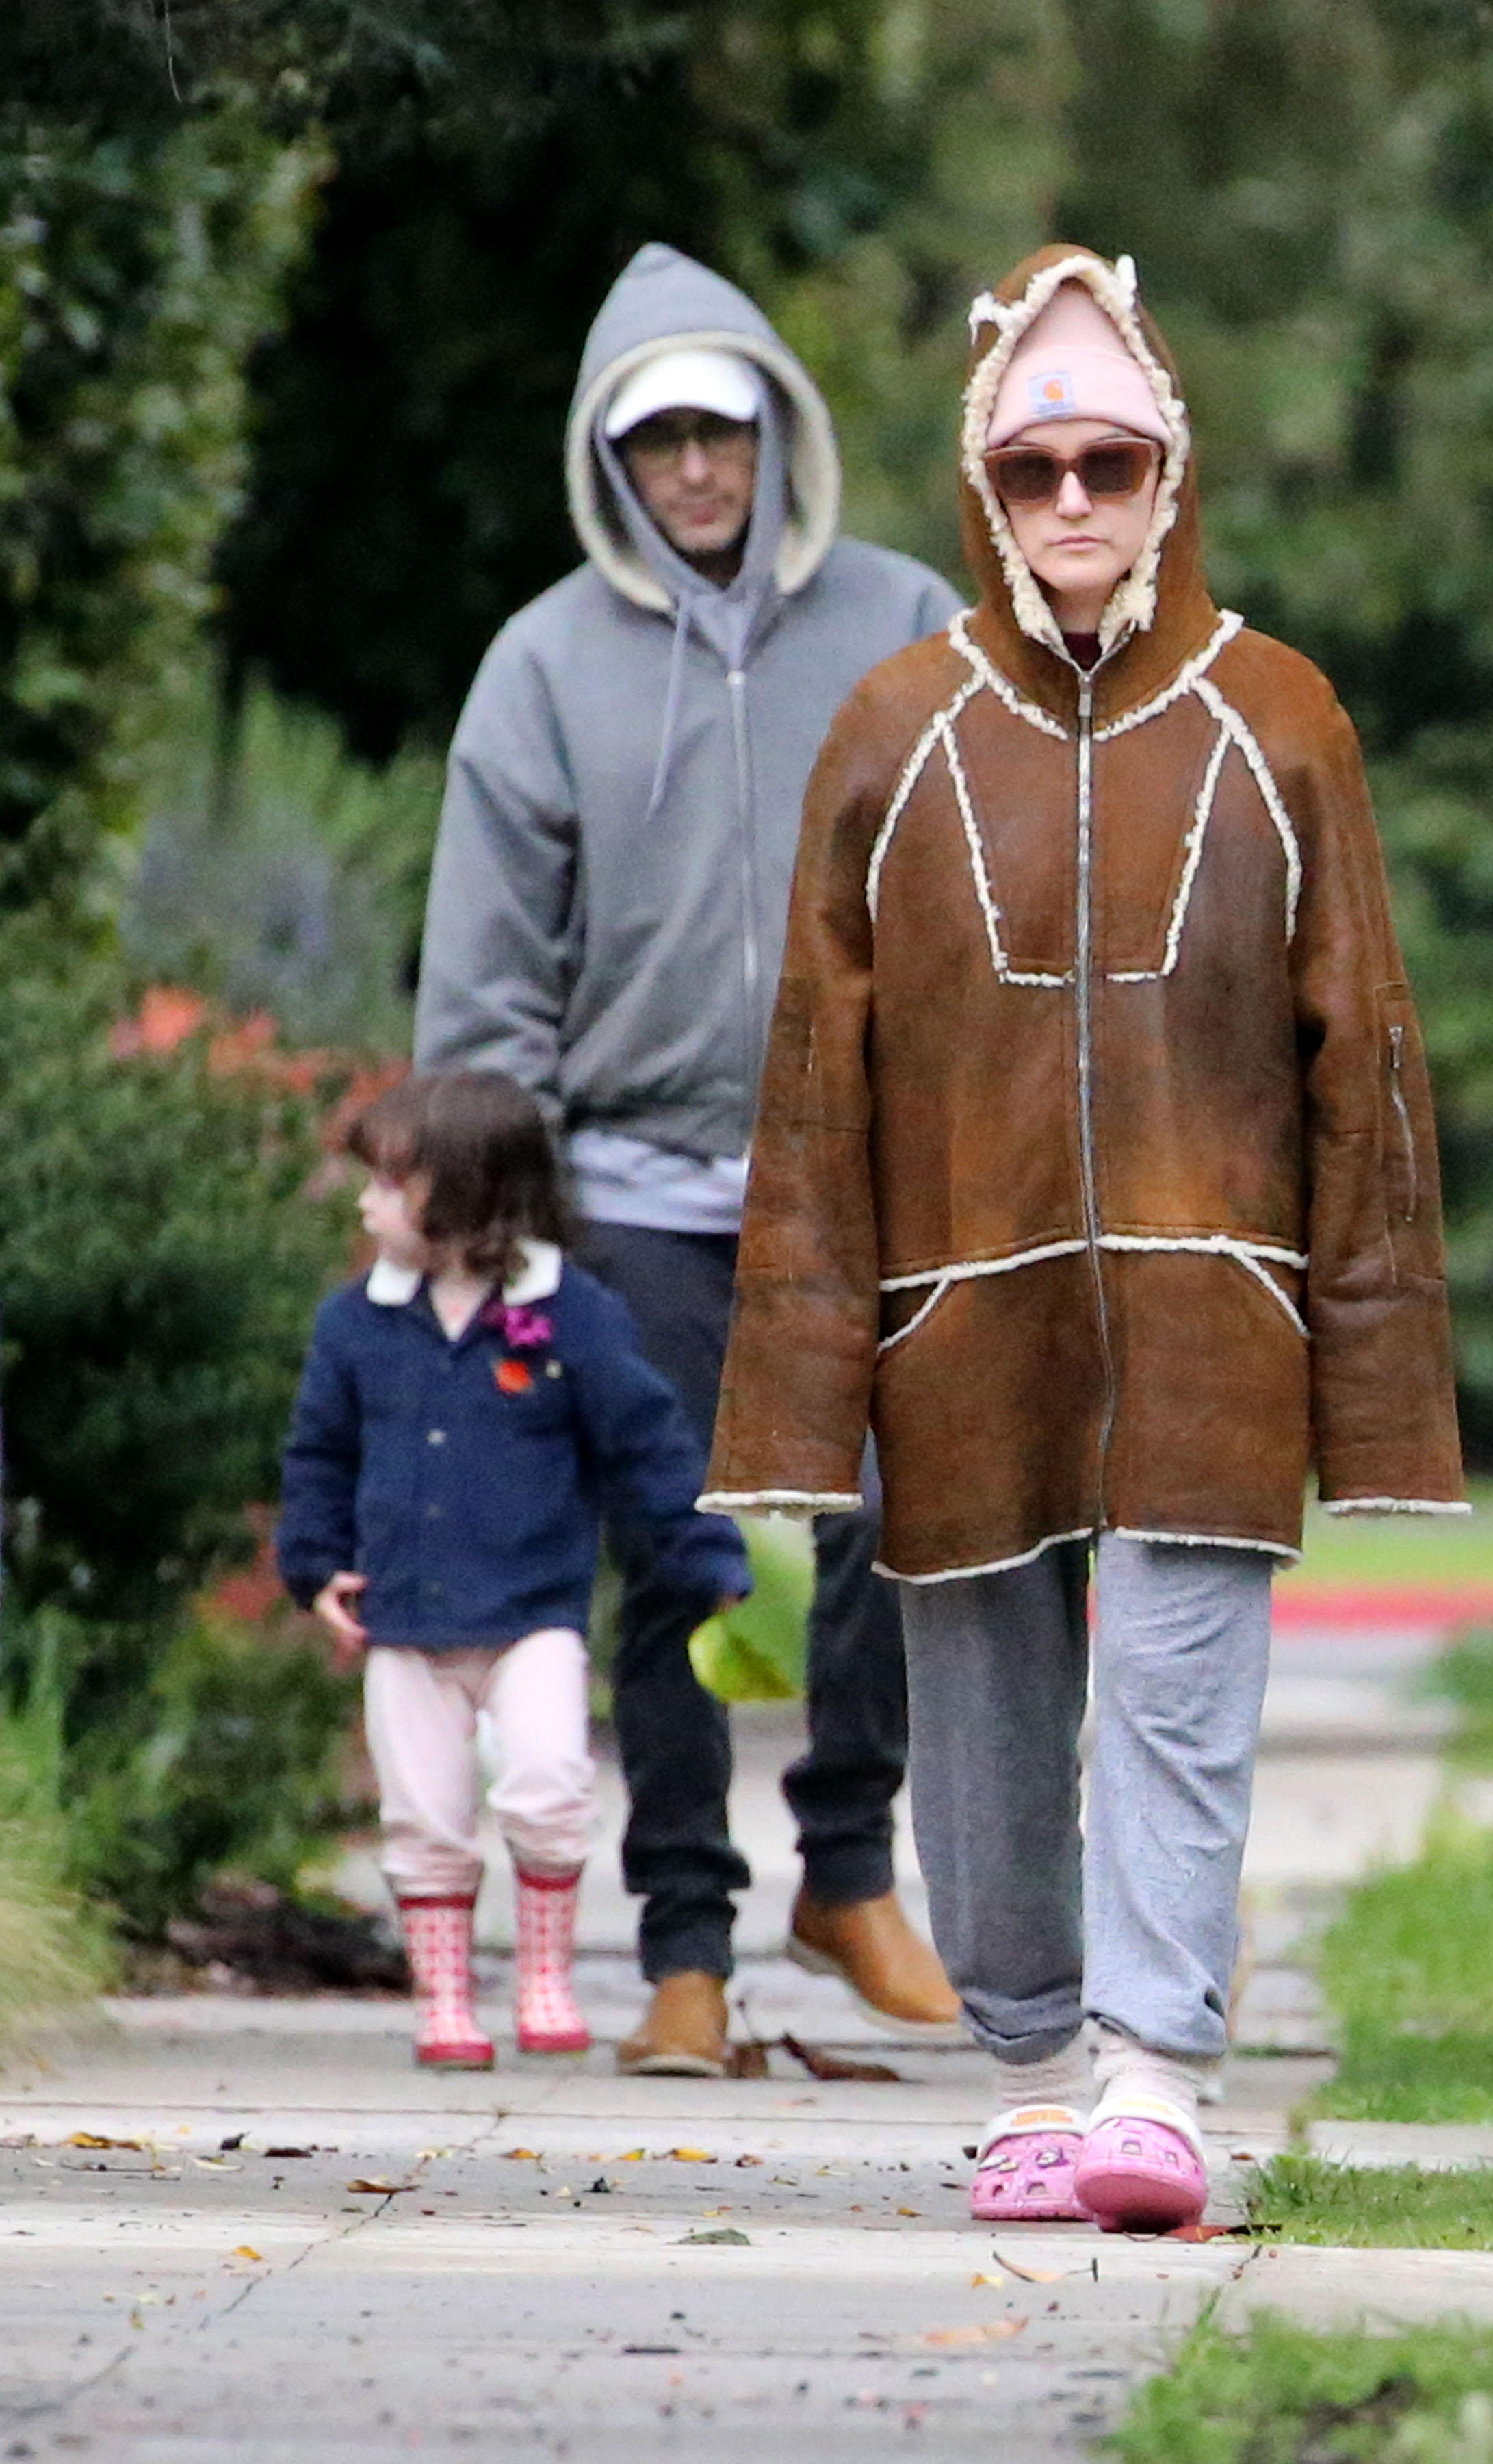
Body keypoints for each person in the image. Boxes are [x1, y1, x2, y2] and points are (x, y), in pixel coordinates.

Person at [702, 246, 1466, 2229]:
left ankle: (1154, 2080)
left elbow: (1362, 1063)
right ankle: (1034, 2069)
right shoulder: (889, 730)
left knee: (1183, 1701)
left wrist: (1378, 1398)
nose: (1071, 504)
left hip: (1220, 1305)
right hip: (961, 1315)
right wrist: (797, 1403)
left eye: (1109, 464)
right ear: (982, 483)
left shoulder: (1286, 721)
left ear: (1170, 473)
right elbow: (814, 1090)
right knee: (981, 1716)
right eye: (1033, 467)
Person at [415, 242, 966, 2075]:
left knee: (885, 1525)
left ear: (773, 433)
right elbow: (485, 982)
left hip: (857, 1183)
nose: (696, 473)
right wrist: (489, 1225)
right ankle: (685, 1952)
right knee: (678, 1560)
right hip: (628, 1191)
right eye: (658, 445)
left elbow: (979, 913)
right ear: (614, 458)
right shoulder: (542, 666)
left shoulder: (899, 621)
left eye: (721, 433)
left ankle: (847, 1869)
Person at [276, 1070, 749, 2071]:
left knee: (545, 1785)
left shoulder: (570, 1314)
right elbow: (319, 1456)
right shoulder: (355, 1323)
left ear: (468, 1193)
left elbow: (646, 1444)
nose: (365, 1202)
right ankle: (443, 1998)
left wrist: (705, 1550)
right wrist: (316, 1565)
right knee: (425, 1812)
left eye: (388, 1184)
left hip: (535, 1612)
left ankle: (545, 1975)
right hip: (403, 1617)